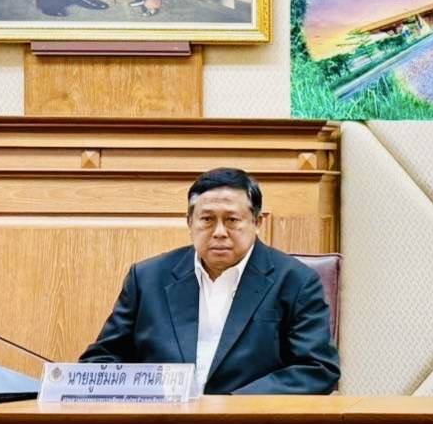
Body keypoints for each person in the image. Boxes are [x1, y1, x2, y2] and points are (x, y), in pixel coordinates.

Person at [81, 168, 340, 395]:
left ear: (257, 222)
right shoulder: (147, 278)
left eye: (232, 220)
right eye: (207, 220)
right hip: (162, 423)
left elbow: (317, 368)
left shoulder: (295, 280)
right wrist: (150, 394)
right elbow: (99, 361)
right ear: (189, 222)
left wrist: (230, 405)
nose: (219, 232)